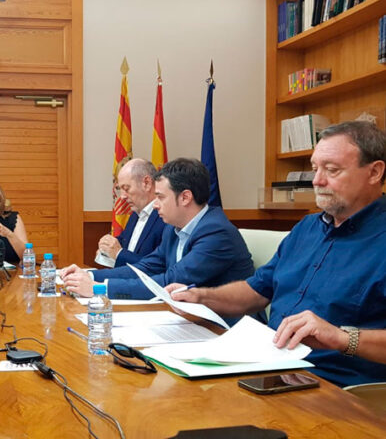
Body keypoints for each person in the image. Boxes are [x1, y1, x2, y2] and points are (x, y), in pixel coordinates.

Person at [167, 121, 386, 388]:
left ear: (374, 172)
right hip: (272, 366)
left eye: (332, 170)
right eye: (315, 168)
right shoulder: (306, 228)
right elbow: (256, 291)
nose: (317, 180)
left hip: (338, 386)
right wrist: (201, 297)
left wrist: (341, 338)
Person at [62, 158, 254, 299]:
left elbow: (171, 281)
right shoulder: (173, 229)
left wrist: (100, 288)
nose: (155, 205)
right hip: (187, 318)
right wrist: (89, 275)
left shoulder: (216, 233)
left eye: (160, 197)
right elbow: (145, 269)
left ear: (185, 197)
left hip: (224, 328)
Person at [96, 158, 165, 267]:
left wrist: (119, 253)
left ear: (147, 183)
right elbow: (124, 243)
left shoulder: (165, 217)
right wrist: (107, 248)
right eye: (120, 189)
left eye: (126, 188)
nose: (122, 196)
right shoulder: (135, 214)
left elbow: (157, 267)